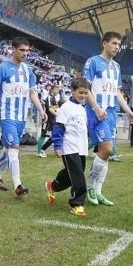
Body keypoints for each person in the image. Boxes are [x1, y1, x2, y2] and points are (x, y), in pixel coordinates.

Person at [0, 37, 47, 196]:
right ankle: (18, 184)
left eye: (27, 51)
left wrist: (41, 109)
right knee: (14, 147)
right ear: (13, 49)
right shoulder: (3, 68)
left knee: (7, 148)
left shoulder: (28, 71)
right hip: (7, 115)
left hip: (21, 117)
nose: (25, 53)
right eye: (22, 50)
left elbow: (32, 93)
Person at [84, 31, 133, 206]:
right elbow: (86, 89)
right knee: (106, 148)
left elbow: (117, 92)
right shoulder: (92, 62)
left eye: (119, 44)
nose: (117, 47)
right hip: (97, 112)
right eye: (114, 43)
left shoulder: (116, 66)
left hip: (111, 113)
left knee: (106, 153)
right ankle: (90, 186)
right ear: (104, 44)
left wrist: (129, 110)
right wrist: (97, 109)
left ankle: (98, 191)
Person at [45, 78, 92, 217]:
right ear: (72, 91)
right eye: (80, 92)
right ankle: (76, 204)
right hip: (69, 147)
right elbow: (58, 128)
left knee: (72, 173)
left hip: (81, 148)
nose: (83, 96)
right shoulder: (66, 108)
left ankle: (52, 186)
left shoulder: (82, 108)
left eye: (86, 93)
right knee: (78, 177)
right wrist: (58, 146)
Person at [37, 84, 62, 158]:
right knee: (43, 136)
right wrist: (57, 115)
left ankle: (43, 149)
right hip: (48, 120)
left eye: (58, 89)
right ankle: (39, 152)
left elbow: (55, 108)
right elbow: (50, 109)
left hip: (53, 121)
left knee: (54, 136)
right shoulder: (49, 98)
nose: (57, 91)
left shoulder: (54, 98)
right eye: (56, 89)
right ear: (52, 90)